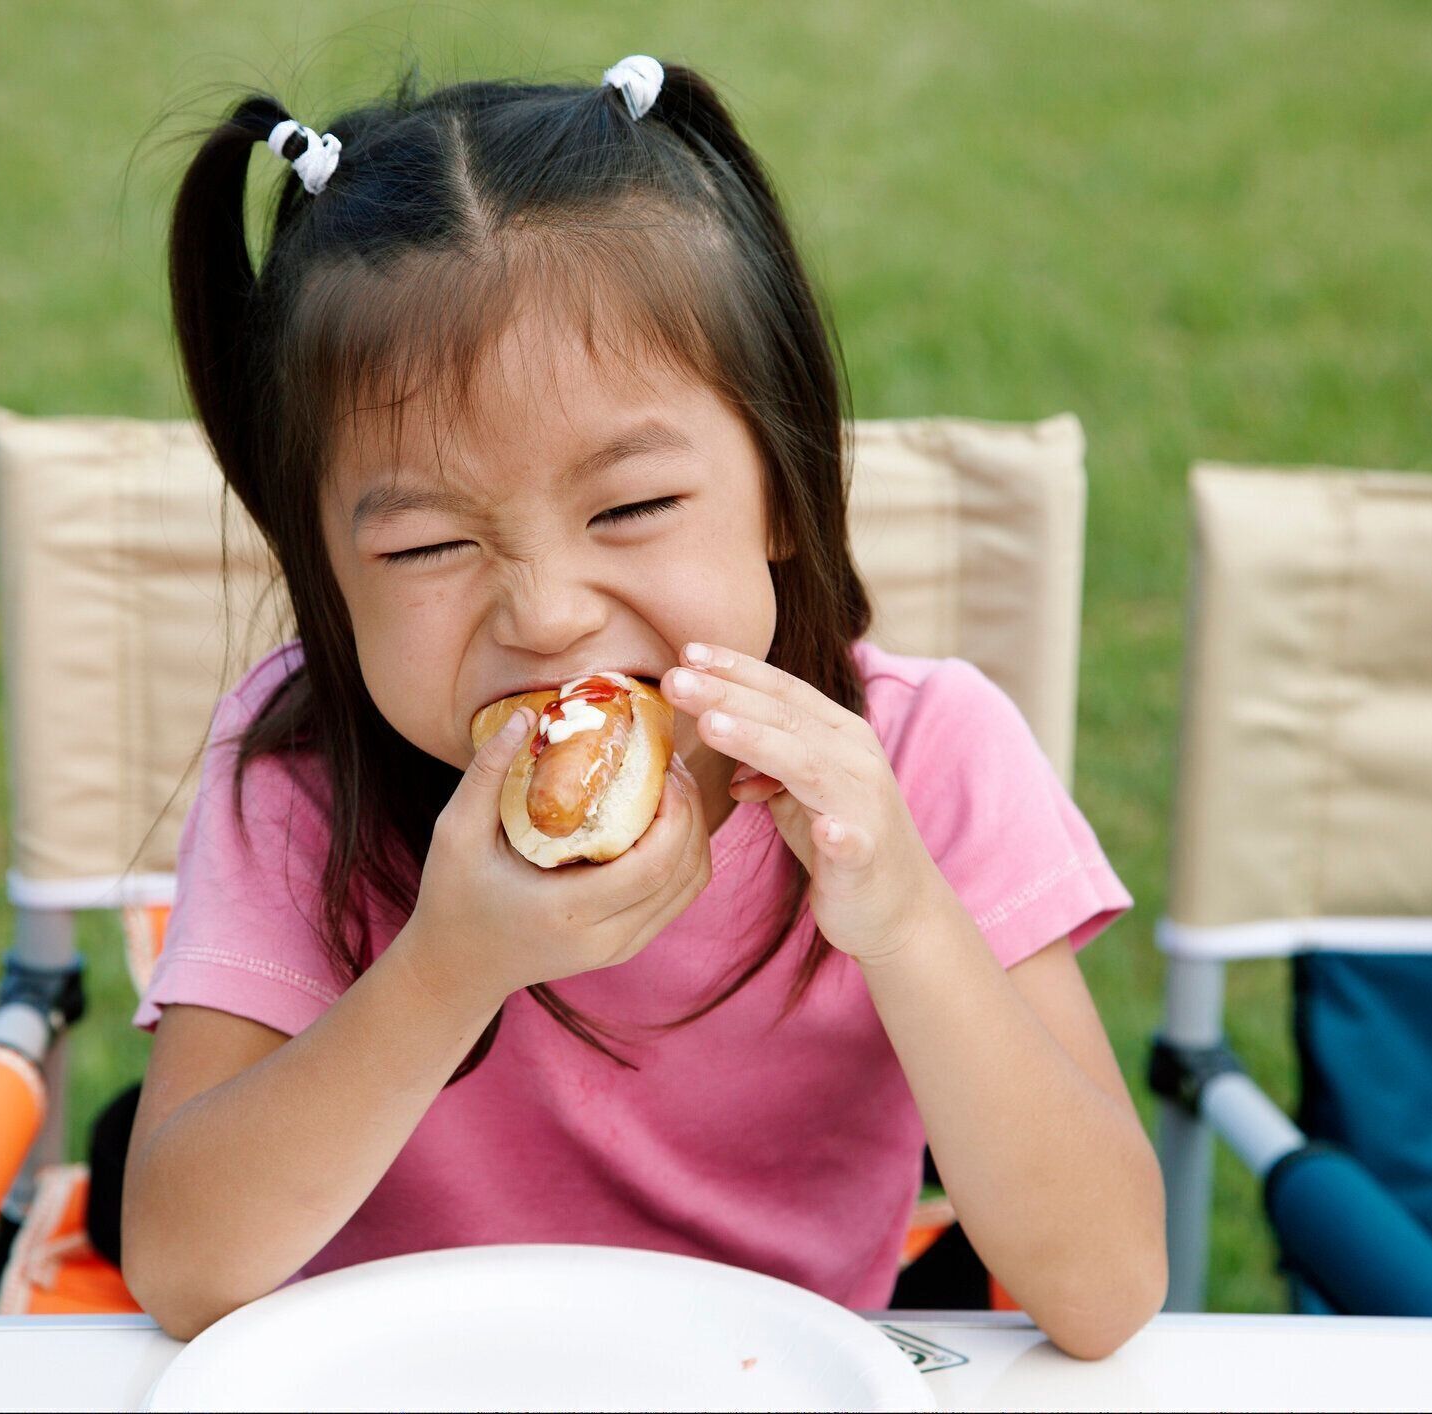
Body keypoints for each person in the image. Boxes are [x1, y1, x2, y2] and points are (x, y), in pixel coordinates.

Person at [122, 54, 1166, 1356]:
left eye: (628, 508)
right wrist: (449, 964)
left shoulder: (922, 760)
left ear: (784, 487)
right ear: (323, 569)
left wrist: (902, 913)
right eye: (425, 548)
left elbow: (1108, 1286)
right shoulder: (297, 773)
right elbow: (182, 1265)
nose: (547, 612)